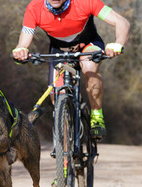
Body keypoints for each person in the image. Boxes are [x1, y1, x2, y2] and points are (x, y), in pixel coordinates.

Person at [12, 0, 130, 139]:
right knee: (57, 96)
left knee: (89, 66)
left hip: (88, 45)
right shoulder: (34, 8)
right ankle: (66, 156)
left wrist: (118, 43)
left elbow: (122, 22)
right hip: (60, 51)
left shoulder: (84, 2)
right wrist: (21, 50)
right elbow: (24, 41)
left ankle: (96, 115)